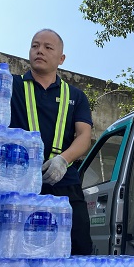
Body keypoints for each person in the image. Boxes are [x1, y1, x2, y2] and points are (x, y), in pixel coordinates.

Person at [10, 28, 93, 255]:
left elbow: (84, 135)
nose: (40, 51)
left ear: (61, 58)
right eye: (35, 46)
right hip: (20, 182)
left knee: (79, 249)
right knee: (20, 251)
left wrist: (62, 160)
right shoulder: (12, 86)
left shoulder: (75, 96)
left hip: (65, 183)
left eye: (48, 47)